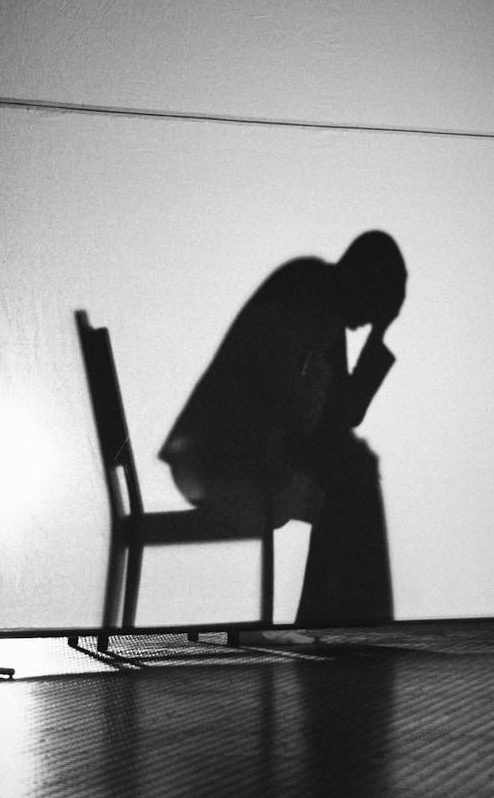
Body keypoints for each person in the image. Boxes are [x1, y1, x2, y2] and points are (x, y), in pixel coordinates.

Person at [159, 230, 407, 639]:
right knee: (351, 474)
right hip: (220, 462)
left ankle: (337, 622)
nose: (364, 324)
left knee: (352, 469)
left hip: (240, 454)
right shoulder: (310, 294)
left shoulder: (322, 301)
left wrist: (379, 336)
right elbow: (294, 406)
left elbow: (339, 415)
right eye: (373, 310)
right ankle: (341, 625)